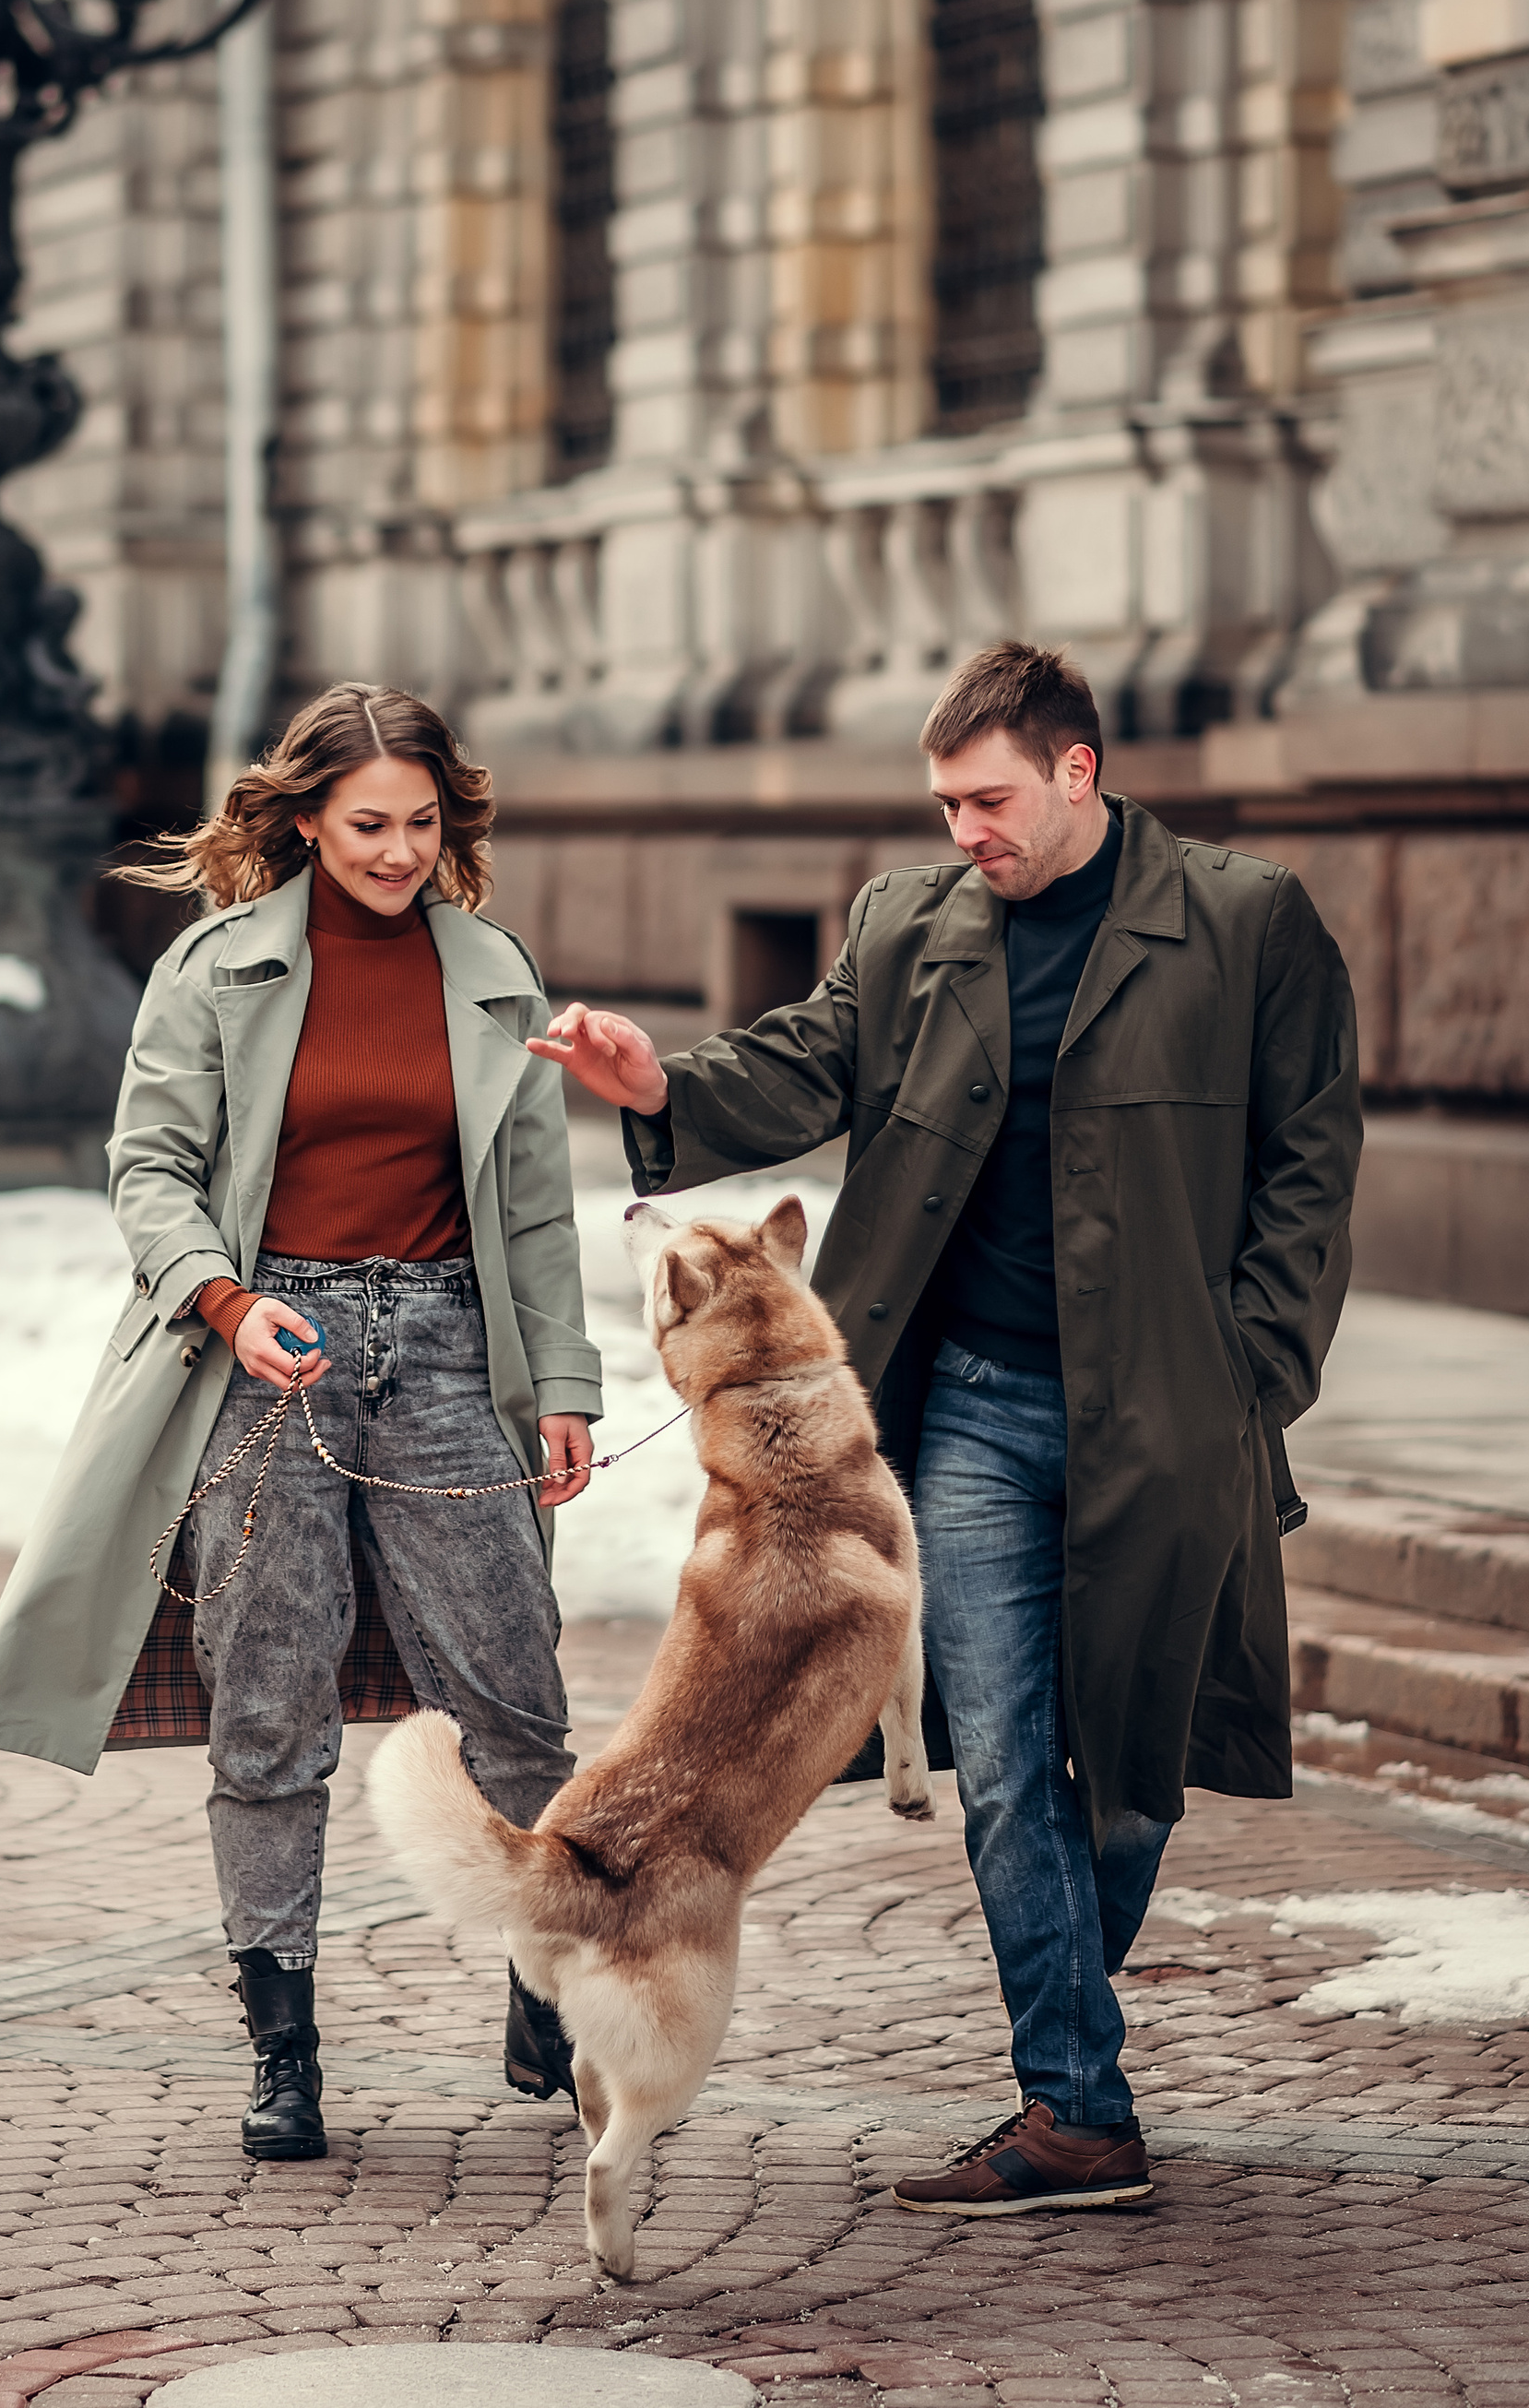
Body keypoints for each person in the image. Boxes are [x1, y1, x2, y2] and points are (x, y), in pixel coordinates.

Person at [531, 641, 1361, 2216]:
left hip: (1165, 1420)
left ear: (1077, 774)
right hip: (967, 1407)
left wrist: (1250, 1380)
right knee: (994, 1755)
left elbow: (1310, 1172)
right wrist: (664, 1088)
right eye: (945, 801)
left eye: (989, 799)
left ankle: (1067, 2040)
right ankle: (1077, 2109)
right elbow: (810, 1061)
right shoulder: (908, 924)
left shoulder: (1246, 924)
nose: (964, 828)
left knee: (1132, 1770)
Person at [0, 682, 604, 2163]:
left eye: (422, 825)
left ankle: (544, 1978)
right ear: (304, 818)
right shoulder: (216, 970)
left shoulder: (491, 969)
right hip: (269, 1359)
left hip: (446, 1353)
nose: (398, 853)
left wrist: (563, 1381)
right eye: (369, 825)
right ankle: (283, 2045)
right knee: (268, 1714)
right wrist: (230, 1303)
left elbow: (537, 1208)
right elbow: (149, 1171)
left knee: (516, 1702)